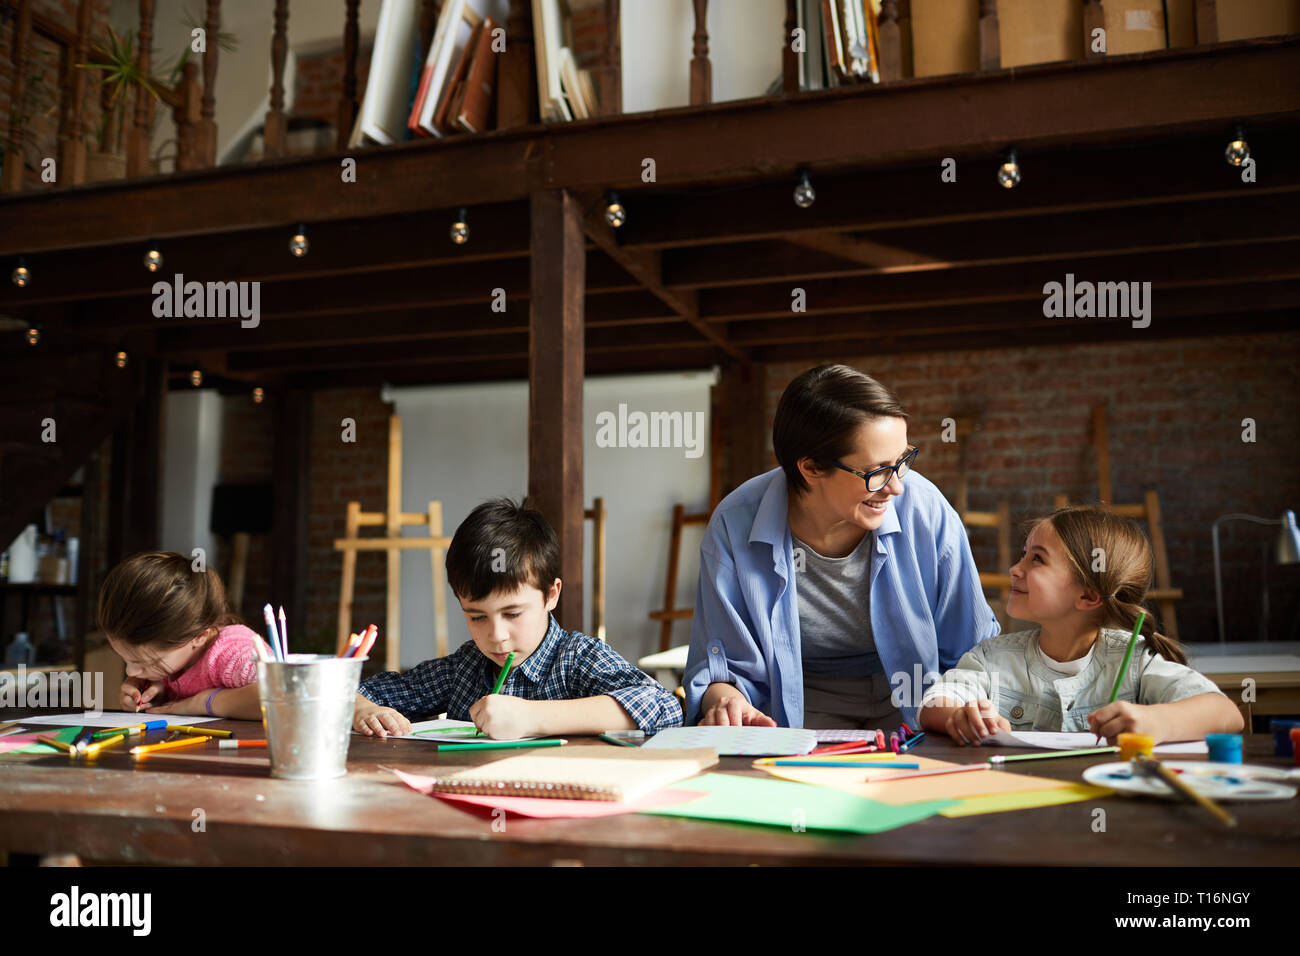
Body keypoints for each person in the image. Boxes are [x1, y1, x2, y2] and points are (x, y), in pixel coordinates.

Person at [684, 364, 998, 729]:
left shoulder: (924, 509)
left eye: (902, 462)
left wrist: (958, 708)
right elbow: (724, 665)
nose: (895, 487)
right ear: (812, 468)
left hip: (922, 696)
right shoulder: (735, 524)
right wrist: (728, 703)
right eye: (876, 471)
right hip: (799, 698)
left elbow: (972, 646)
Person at [354, 498, 683, 738]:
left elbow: (662, 706)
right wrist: (362, 710)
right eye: (477, 616)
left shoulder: (579, 659)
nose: (496, 635)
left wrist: (533, 717)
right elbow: (346, 692)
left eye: (512, 613)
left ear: (550, 595)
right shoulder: (463, 669)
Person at [919, 507, 1244, 744]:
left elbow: (1226, 714)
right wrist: (959, 716)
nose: (1015, 569)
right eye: (1024, 554)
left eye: (1037, 559)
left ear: (1088, 596)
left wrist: (1155, 720)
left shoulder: (1135, 662)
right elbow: (935, 702)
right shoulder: (991, 657)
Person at [98, 552, 268, 719]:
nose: (131, 671)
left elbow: (282, 695)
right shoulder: (176, 654)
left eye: (145, 662)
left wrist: (202, 703)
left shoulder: (233, 651)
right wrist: (153, 693)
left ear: (199, 636)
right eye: (126, 660)